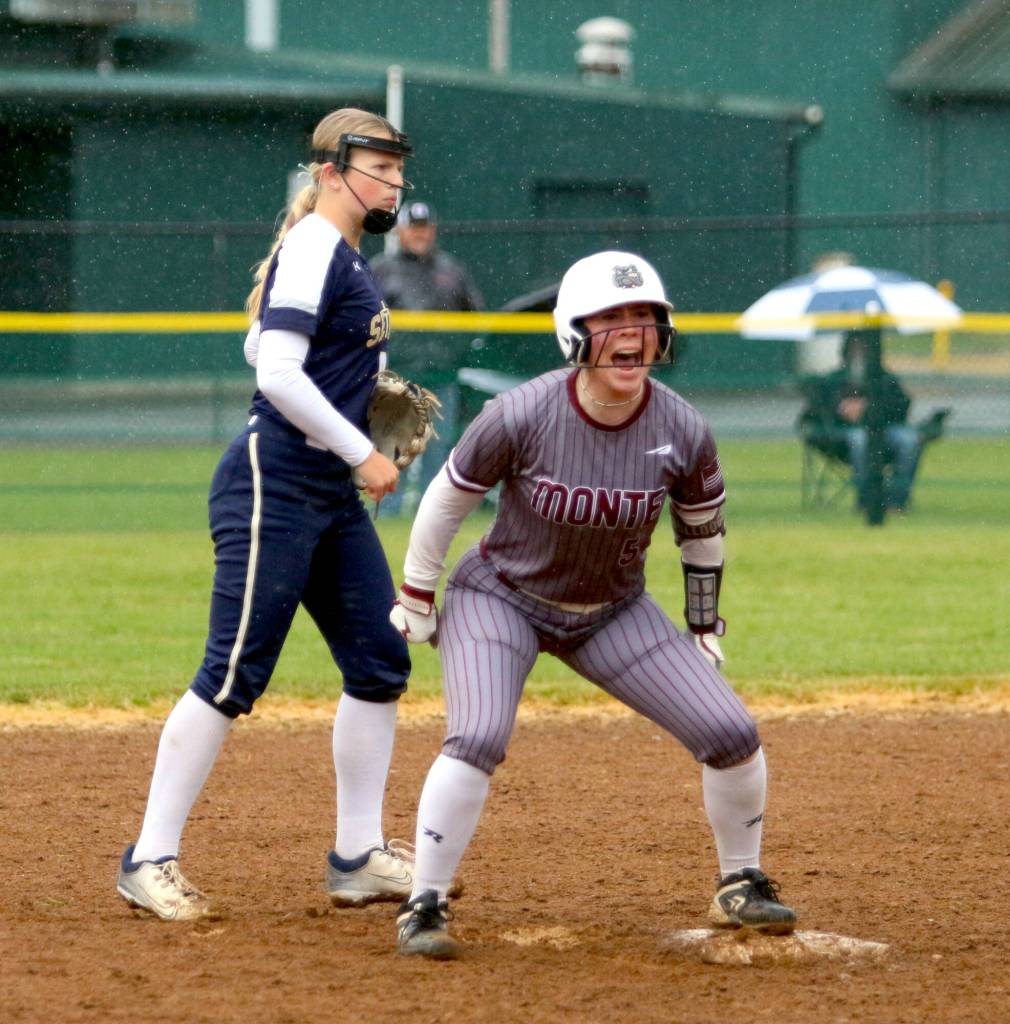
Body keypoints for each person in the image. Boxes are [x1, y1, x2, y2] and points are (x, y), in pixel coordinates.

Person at [385, 250, 798, 959]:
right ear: (573, 332)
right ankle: (424, 902)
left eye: (644, 317)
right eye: (611, 319)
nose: (632, 334)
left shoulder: (683, 426)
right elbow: (447, 500)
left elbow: (701, 533)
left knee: (733, 732)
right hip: (502, 598)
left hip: (611, 610)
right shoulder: (521, 411)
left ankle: (741, 881)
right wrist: (418, 594)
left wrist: (704, 626)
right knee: (477, 738)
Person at [116, 107, 422, 920]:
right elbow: (280, 377)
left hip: (323, 491)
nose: (393, 180)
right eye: (378, 166)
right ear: (329, 171)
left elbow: (262, 345)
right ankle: (148, 857)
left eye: (399, 168)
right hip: (275, 480)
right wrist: (361, 447)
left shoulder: (340, 255)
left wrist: (360, 405)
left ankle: (358, 855)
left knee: (379, 659)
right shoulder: (318, 245)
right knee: (232, 674)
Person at [370, 201, 485, 516]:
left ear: (432, 230)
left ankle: (429, 513)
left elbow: (474, 315)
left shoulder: (451, 270)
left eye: (424, 228)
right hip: (398, 375)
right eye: (413, 228)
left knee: (438, 449)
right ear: (401, 231)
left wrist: (457, 352)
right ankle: (386, 513)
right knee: (394, 445)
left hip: (442, 374)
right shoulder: (382, 268)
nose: (419, 234)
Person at [798, 331, 946, 512]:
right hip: (841, 438)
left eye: (866, 347)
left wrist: (870, 408)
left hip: (884, 432)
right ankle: (867, 498)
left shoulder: (886, 380)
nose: (860, 352)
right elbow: (814, 412)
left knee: (909, 439)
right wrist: (841, 409)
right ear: (846, 349)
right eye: (855, 347)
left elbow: (902, 407)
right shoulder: (831, 381)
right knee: (860, 439)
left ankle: (896, 501)